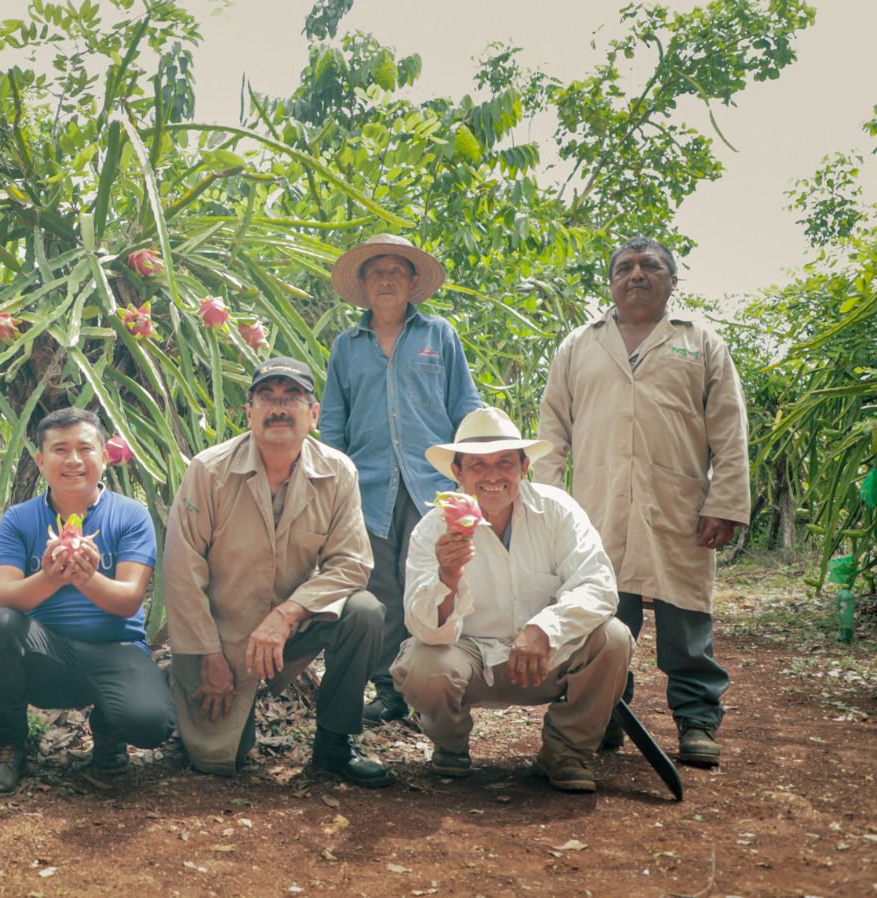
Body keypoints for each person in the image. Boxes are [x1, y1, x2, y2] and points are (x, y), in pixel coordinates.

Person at [535, 237, 749, 767]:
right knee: (600, 620)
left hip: (677, 509)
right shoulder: (579, 345)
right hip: (595, 510)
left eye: (650, 265)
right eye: (624, 267)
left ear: (672, 281)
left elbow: (729, 430)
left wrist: (724, 501)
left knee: (686, 621)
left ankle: (697, 719)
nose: (636, 274)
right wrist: (546, 504)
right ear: (609, 283)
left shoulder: (700, 343)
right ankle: (602, 716)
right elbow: (552, 429)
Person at [163, 358, 390, 785]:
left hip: (292, 633)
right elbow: (181, 571)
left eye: (292, 399)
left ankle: (334, 744)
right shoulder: (208, 471)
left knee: (364, 611)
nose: (279, 408)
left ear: (314, 413)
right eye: (267, 398)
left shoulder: (338, 472)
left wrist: (286, 615)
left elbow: (352, 564)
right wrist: (209, 656)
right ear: (248, 412)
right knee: (216, 762)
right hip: (223, 644)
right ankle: (180, 683)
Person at [392, 407, 632, 792]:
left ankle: (565, 752)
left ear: (523, 467)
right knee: (422, 662)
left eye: (504, 462)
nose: (492, 476)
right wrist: (448, 578)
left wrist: (544, 628)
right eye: (478, 466)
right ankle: (450, 747)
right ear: (458, 473)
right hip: (470, 662)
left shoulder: (558, 511)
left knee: (613, 638)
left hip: (544, 659)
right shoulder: (434, 527)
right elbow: (423, 629)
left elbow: (598, 584)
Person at [318, 234, 484, 726]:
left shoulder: (440, 336)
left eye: (396, 270)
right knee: (381, 587)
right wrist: (332, 486)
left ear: (413, 282)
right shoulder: (346, 348)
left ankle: (432, 686)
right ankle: (389, 690)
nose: (386, 279)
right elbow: (332, 423)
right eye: (376, 272)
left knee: (432, 578)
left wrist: (472, 473)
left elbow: (466, 408)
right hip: (366, 487)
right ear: (364, 285)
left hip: (432, 485)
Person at [0, 408, 175, 797]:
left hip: (116, 649)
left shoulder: (132, 515)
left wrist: (87, 578)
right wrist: (51, 577)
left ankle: (109, 731)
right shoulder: (19, 519)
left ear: (105, 455)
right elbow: (0, 596)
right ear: (40, 460)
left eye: (85, 448)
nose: (73, 460)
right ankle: (11, 747)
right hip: (47, 652)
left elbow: (128, 601)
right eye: (60, 449)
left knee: (151, 724)